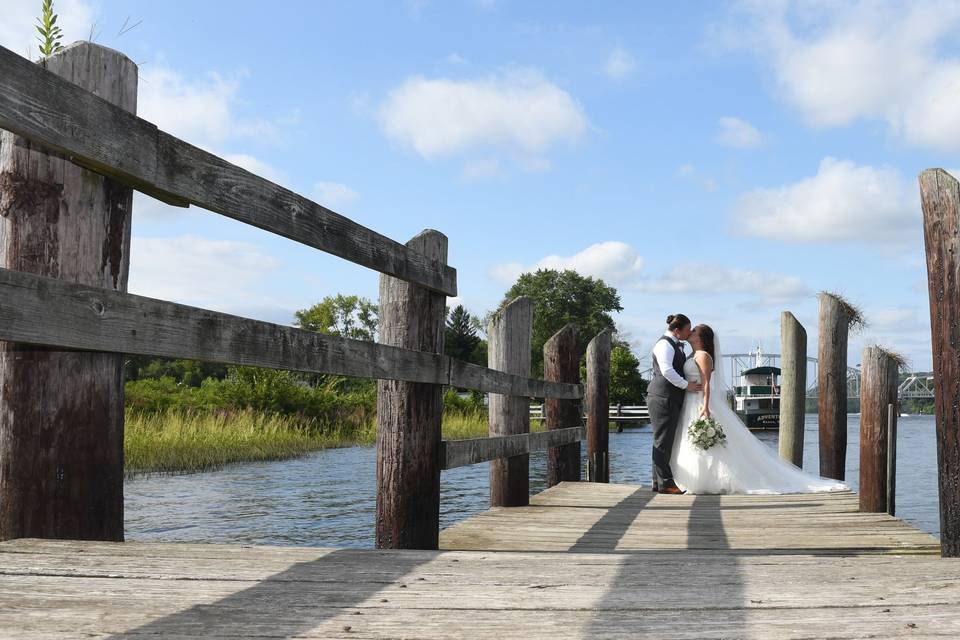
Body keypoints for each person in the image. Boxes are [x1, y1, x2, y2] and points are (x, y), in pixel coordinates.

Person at [671, 324, 848, 494]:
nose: (690, 332)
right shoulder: (691, 354)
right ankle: (694, 478)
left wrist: (706, 405)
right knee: (691, 440)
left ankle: (707, 479)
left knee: (709, 442)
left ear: (701, 337)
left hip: (700, 402)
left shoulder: (702, 356)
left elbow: (707, 383)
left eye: (694, 331)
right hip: (690, 401)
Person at [647, 314, 702, 494]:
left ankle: (658, 482)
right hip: (663, 397)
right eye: (687, 330)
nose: (689, 333)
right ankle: (666, 483)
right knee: (663, 440)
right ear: (677, 331)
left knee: (664, 440)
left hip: (668, 397)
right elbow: (667, 371)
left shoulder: (675, 344)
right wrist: (688, 386)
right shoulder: (664, 344)